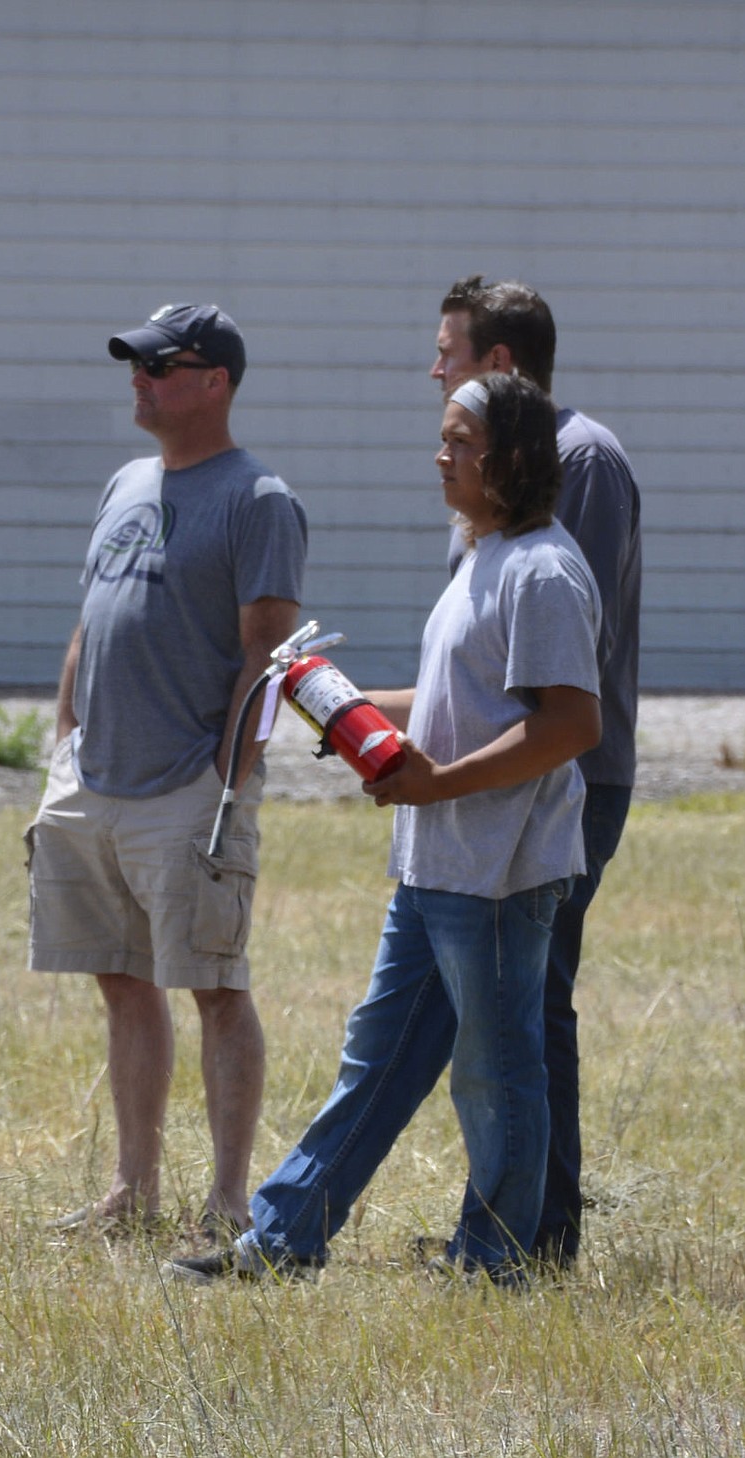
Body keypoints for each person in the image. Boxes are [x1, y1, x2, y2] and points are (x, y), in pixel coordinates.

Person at [165, 371, 601, 1285]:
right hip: (437, 867)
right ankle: (282, 1243)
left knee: (495, 1074)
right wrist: (332, 698)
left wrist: (437, 785)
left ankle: (498, 1263)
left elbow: (569, 725)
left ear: (514, 457)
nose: (441, 456)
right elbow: (458, 701)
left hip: (497, 876)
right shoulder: (481, 553)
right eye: (444, 438)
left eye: (461, 441)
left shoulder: (543, 570)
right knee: (378, 1062)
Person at [27, 302, 308, 1237]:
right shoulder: (125, 483)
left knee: (217, 989)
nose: (138, 380)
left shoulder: (257, 500)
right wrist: (64, 738)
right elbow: (90, 620)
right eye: (135, 365)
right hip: (92, 780)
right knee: (120, 978)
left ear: (216, 382)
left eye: (161, 365)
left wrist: (227, 786)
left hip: (189, 787)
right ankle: (132, 1192)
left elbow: (264, 658)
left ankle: (229, 1204)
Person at [431, 275, 642, 1266]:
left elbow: (561, 669)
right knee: (500, 999)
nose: (436, 371)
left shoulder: (575, 463)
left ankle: (537, 1234)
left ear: (501, 365)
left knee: (530, 996)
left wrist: (456, 766)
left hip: (569, 775)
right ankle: (511, 1219)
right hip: (497, 769)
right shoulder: (485, 476)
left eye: (450, 353)